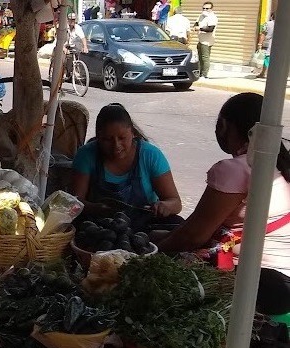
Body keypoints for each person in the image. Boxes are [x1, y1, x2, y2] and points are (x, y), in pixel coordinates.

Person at [157, 93, 290, 315]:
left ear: (227, 125)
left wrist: (151, 253)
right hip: (280, 279)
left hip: (264, 283)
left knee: (165, 282)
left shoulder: (235, 169)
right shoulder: (277, 163)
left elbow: (193, 236)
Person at [72, 103, 182, 230]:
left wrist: (164, 206)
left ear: (133, 133)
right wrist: (95, 209)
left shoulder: (150, 155)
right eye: (107, 139)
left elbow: (175, 202)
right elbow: (74, 202)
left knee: (178, 224)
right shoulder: (86, 155)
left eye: (122, 138)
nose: (116, 146)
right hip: (100, 227)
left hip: (144, 226)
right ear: (98, 138)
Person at [194, 2, 218, 79]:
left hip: (207, 41)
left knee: (205, 58)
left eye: (207, 8)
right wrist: (196, 27)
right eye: (203, 8)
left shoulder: (212, 17)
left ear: (211, 9)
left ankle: (204, 74)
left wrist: (200, 28)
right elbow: (196, 23)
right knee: (200, 58)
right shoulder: (201, 16)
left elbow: (210, 29)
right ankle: (200, 73)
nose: (205, 10)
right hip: (200, 40)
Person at [257, 12, 275, 79]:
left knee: (266, 59)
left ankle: (266, 73)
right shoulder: (284, 25)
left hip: (268, 45)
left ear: (272, 16)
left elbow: (263, 34)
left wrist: (259, 44)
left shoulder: (267, 24)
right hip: (279, 46)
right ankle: (263, 73)